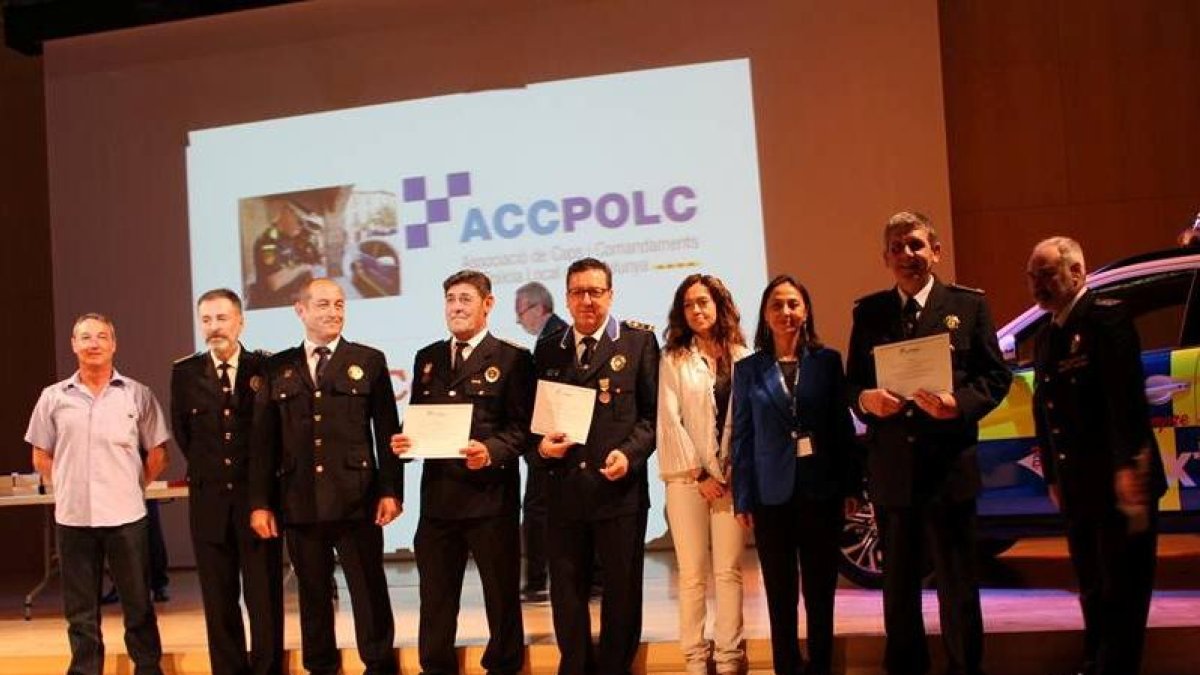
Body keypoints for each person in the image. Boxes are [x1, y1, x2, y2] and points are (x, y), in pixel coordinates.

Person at [846, 211, 1011, 675]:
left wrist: (957, 404)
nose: (907, 255)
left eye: (916, 245)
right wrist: (865, 399)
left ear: (935, 252)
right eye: (897, 248)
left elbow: (996, 377)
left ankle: (965, 667)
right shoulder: (870, 312)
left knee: (957, 586)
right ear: (885, 258)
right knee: (898, 590)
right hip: (894, 472)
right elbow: (851, 383)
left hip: (948, 469)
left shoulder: (969, 306)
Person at [1026, 237, 1167, 675]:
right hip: (1077, 483)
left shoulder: (1107, 320)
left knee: (1123, 586)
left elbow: (1125, 402)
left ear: (1077, 273)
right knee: (1091, 585)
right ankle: (1095, 660)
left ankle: (1115, 666)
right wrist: (1052, 475)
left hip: (1118, 481)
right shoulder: (1050, 336)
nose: (1037, 286)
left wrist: (1128, 466)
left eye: (1047, 274)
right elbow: (1045, 412)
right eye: (1032, 277)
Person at [249, 278, 402, 675]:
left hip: (358, 499)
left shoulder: (368, 359)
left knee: (369, 590)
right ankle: (321, 666)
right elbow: (264, 443)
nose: (333, 312)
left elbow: (387, 432)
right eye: (322, 305)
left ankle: (379, 664)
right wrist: (261, 503)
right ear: (300, 310)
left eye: (338, 304)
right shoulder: (277, 367)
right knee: (313, 595)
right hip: (299, 500)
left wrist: (391, 490)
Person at [391, 270, 534, 675]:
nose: (456, 306)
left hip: (490, 498)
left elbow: (523, 429)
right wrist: (406, 444)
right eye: (451, 298)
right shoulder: (429, 358)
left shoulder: (513, 359)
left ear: (488, 304)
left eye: (466, 299)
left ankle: (504, 665)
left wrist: (489, 451)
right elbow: (421, 421)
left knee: (501, 596)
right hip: (439, 501)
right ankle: (436, 667)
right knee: (435, 597)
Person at [534, 257, 659, 675]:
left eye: (595, 292)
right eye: (578, 292)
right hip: (564, 491)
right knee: (566, 592)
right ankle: (574, 666)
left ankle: (613, 667)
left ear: (610, 294)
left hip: (619, 492)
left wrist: (630, 454)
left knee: (622, 591)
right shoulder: (550, 346)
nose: (587, 300)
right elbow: (537, 421)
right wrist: (543, 448)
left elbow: (651, 417)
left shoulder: (638, 342)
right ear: (567, 298)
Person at [25, 313, 169, 675]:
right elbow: (40, 455)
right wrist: (69, 481)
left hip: (126, 517)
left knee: (138, 603)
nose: (93, 343)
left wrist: (131, 485)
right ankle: (86, 670)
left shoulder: (138, 394)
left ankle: (148, 667)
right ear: (74, 345)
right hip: (74, 518)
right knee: (80, 609)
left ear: (113, 345)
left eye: (101, 337)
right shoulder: (53, 397)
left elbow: (158, 454)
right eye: (85, 337)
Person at [731, 275, 860, 675]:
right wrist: (743, 496)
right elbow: (743, 437)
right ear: (765, 315)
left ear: (805, 311)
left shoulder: (827, 362)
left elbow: (842, 428)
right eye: (777, 305)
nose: (786, 312)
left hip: (821, 491)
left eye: (793, 304)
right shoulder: (749, 369)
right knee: (780, 593)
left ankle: (821, 664)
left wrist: (852, 485)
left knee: (821, 591)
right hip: (772, 496)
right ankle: (787, 665)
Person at [172, 288, 283, 675]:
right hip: (209, 505)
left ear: (240, 321)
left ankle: (267, 669)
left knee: (263, 598)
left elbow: (271, 439)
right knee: (219, 602)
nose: (214, 327)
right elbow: (185, 436)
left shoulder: (264, 368)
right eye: (206, 320)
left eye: (222, 318)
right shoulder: (185, 373)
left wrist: (262, 499)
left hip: (257, 506)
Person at [656, 274, 751, 675]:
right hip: (687, 482)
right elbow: (669, 420)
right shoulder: (673, 358)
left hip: (732, 481)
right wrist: (700, 475)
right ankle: (696, 656)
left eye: (704, 302)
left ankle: (730, 655)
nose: (697, 310)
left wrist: (733, 470)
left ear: (719, 305)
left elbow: (748, 422)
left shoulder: (744, 356)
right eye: (689, 304)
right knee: (693, 573)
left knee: (728, 571)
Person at [513, 280, 567, 602]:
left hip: (551, 445)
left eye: (520, 313)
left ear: (537, 308)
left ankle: (537, 582)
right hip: (551, 444)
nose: (519, 321)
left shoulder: (554, 339)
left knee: (537, 512)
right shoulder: (553, 336)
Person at [250, 200, 321, 309]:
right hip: (273, 305)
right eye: (300, 222)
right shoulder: (268, 241)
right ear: (287, 212)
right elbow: (274, 282)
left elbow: (293, 264)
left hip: (291, 299)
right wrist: (302, 268)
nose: (302, 227)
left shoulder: (289, 238)